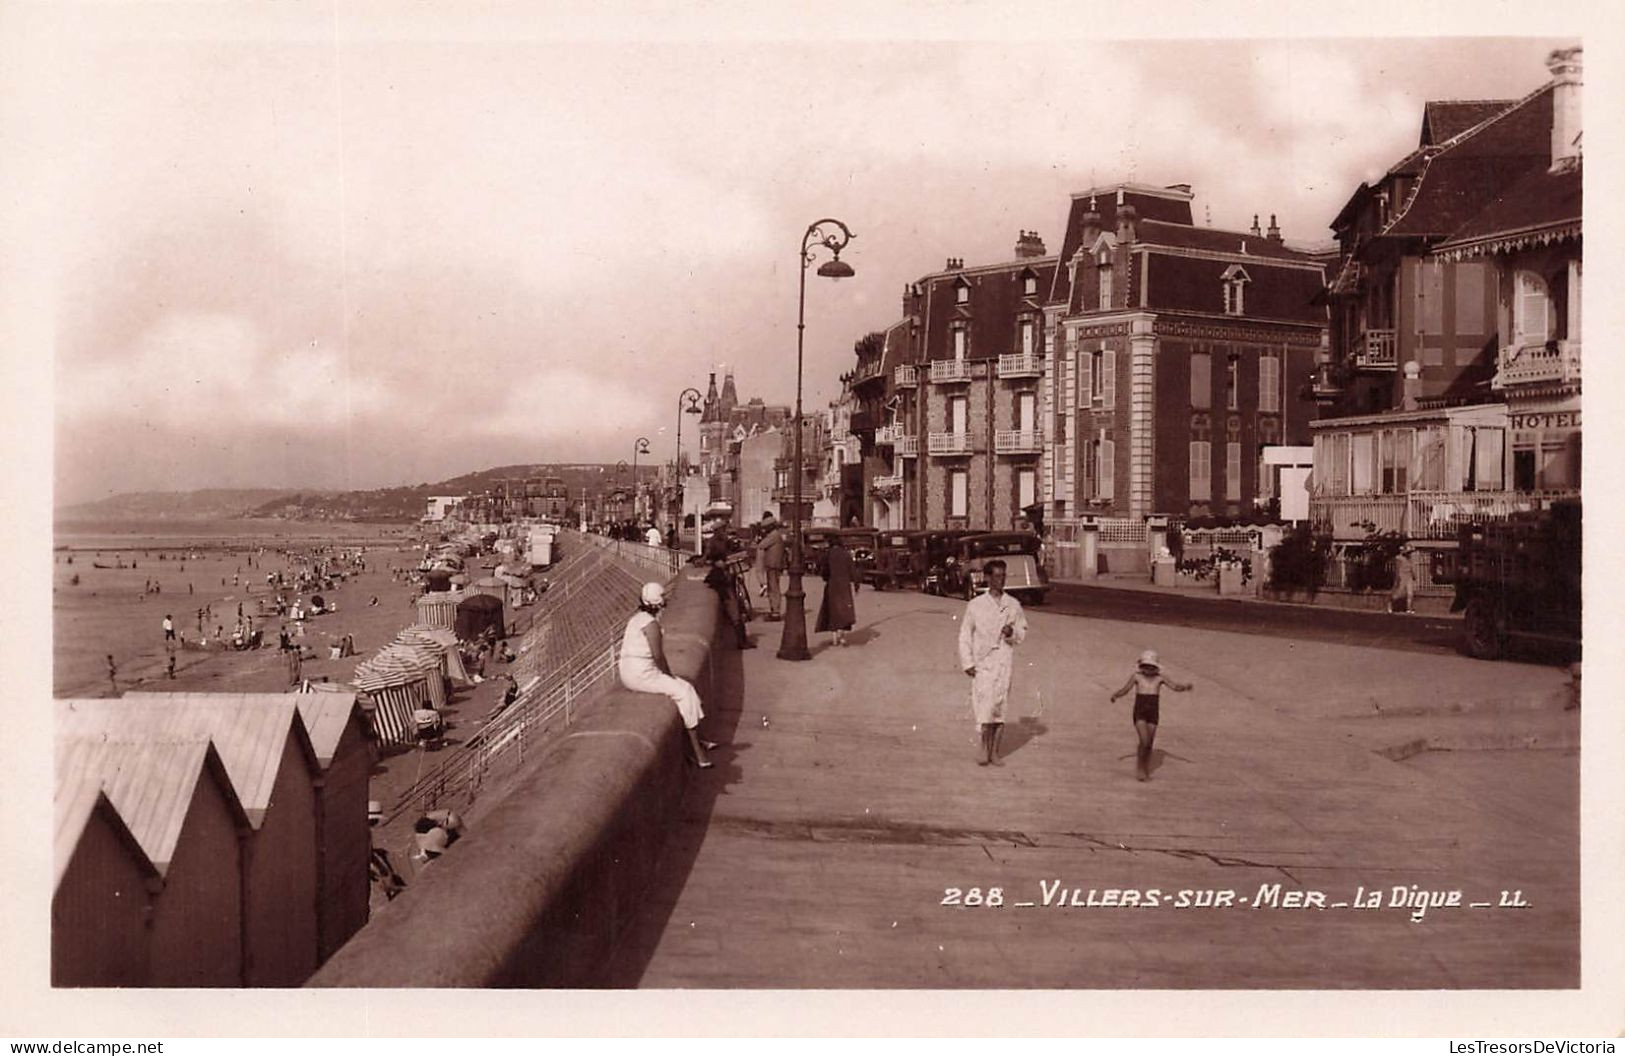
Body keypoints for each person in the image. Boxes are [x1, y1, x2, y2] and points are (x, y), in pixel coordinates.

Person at [618, 581, 719, 768]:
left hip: (630, 671)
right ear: (657, 602)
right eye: (663, 597)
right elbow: (658, 656)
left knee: (686, 687)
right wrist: (669, 676)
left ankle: (701, 739)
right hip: (641, 675)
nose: (665, 600)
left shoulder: (637, 618)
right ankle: (697, 752)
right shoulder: (651, 624)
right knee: (683, 692)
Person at [957, 560, 1027, 766]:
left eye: (1003, 576)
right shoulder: (976, 605)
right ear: (987, 577)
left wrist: (1011, 633)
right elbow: (964, 635)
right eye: (996, 576)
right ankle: (983, 749)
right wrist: (967, 662)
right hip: (983, 664)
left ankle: (995, 753)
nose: (1000, 580)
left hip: (1004, 663)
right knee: (985, 708)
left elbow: (1022, 631)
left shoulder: (1013, 605)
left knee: (1000, 708)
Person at [1109, 649, 1194, 781]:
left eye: (1151, 667)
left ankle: (1145, 767)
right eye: (1146, 666)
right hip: (1140, 712)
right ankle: (1140, 769)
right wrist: (1116, 695)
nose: (1148, 670)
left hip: (1153, 713)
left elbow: (1175, 687)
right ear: (1141, 666)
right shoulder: (1137, 677)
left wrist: (1185, 687)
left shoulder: (1160, 678)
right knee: (1144, 740)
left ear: (1155, 667)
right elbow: (1125, 689)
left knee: (1149, 744)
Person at [704, 534, 755, 650]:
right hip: (727, 596)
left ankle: (743, 640)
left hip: (727, 594)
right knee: (736, 616)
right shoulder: (718, 573)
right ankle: (742, 642)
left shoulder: (717, 570)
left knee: (737, 615)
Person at [815, 532, 857, 647]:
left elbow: (823, 569)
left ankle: (834, 638)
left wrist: (825, 577)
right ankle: (842, 637)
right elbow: (853, 570)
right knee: (844, 610)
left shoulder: (828, 554)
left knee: (833, 611)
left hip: (832, 585)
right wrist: (856, 583)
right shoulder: (846, 554)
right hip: (844, 585)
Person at [758, 512, 786, 621]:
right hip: (774, 565)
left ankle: (775, 612)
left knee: (773, 589)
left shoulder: (773, 535)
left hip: (773, 565)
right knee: (772, 588)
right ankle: (774, 610)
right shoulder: (775, 535)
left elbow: (761, 545)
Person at [1390, 546, 1416, 614]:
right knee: (1399, 593)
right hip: (1402, 576)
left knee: (1410, 593)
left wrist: (1413, 575)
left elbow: (1411, 568)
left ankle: (1409, 608)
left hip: (1409, 577)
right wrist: (1397, 578)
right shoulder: (1399, 558)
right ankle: (1391, 604)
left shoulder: (1410, 559)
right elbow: (1397, 569)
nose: (1409, 554)